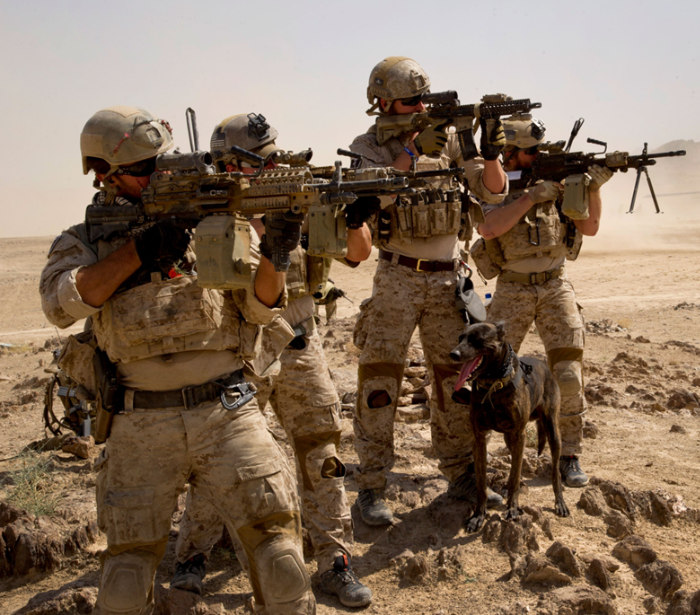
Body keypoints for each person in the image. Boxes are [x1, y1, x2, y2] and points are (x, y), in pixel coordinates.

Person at [40, 106, 315, 614]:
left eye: (160, 164)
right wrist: (139, 252)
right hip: (139, 422)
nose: (158, 176)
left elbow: (258, 308)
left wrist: (278, 249)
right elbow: (61, 304)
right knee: (125, 577)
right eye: (143, 170)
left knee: (281, 563)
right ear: (103, 174)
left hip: (228, 412)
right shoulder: (84, 240)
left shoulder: (214, 226)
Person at [170, 113, 375, 607]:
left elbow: (359, 254)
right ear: (228, 165)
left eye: (272, 158)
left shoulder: (301, 196)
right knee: (222, 458)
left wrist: (352, 215)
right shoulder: (211, 211)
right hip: (236, 349)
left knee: (321, 453)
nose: (271, 167)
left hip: (299, 341)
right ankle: (192, 556)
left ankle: (334, 560)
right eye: (258, 162)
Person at [347, 56, 508, 526]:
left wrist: (491, 152)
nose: (420, 106)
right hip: (396, 276)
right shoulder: (367, 146)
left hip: (446, 280)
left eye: (424, 98)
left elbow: (493, 192)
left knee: (453, 381)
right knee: (380, 382)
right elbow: (368, 198)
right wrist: (413, 152)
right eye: (412, 100)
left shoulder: (453, 139)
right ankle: (373, 484)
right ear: (382, 102)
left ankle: (460, 472)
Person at [472, 114, 613, 488]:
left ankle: (568, 455)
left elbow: (590, 227)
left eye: (539, 151)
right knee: (490, 376)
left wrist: (592, 188)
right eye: (530, 152)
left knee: (567, 375)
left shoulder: (558, 182)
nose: (537, 157)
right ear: (510, 154)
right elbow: (488, 228)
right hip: (512, 289)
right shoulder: (492, 187)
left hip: (555, 286)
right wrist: (531, 196)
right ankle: (480, 456)